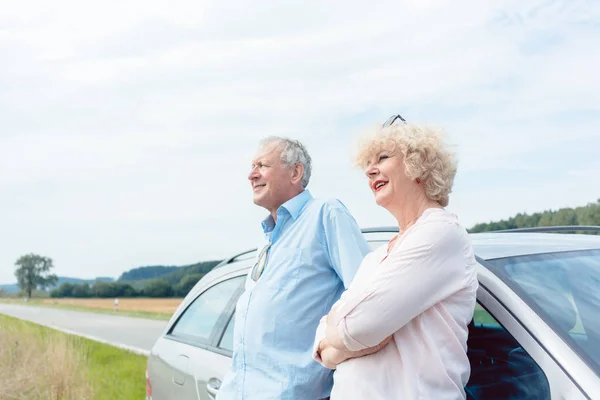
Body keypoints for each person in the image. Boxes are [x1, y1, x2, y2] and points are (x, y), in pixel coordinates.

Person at [313, 115, 479, 399]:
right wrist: (357, 340)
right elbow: (322, 348)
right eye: (367, 164)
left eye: (382, 158)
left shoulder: (440, 232)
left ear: (418, 164)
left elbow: (357, 325)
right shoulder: (375, 258)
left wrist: (345, 335)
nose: (370, 171)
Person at [217, 136, 372, 400]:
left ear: (295, 172)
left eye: (262, 165)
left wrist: (331, 350)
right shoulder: (267, 239)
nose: (251, 175)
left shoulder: (325, 214)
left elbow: (368, 300)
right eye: (251, 166)